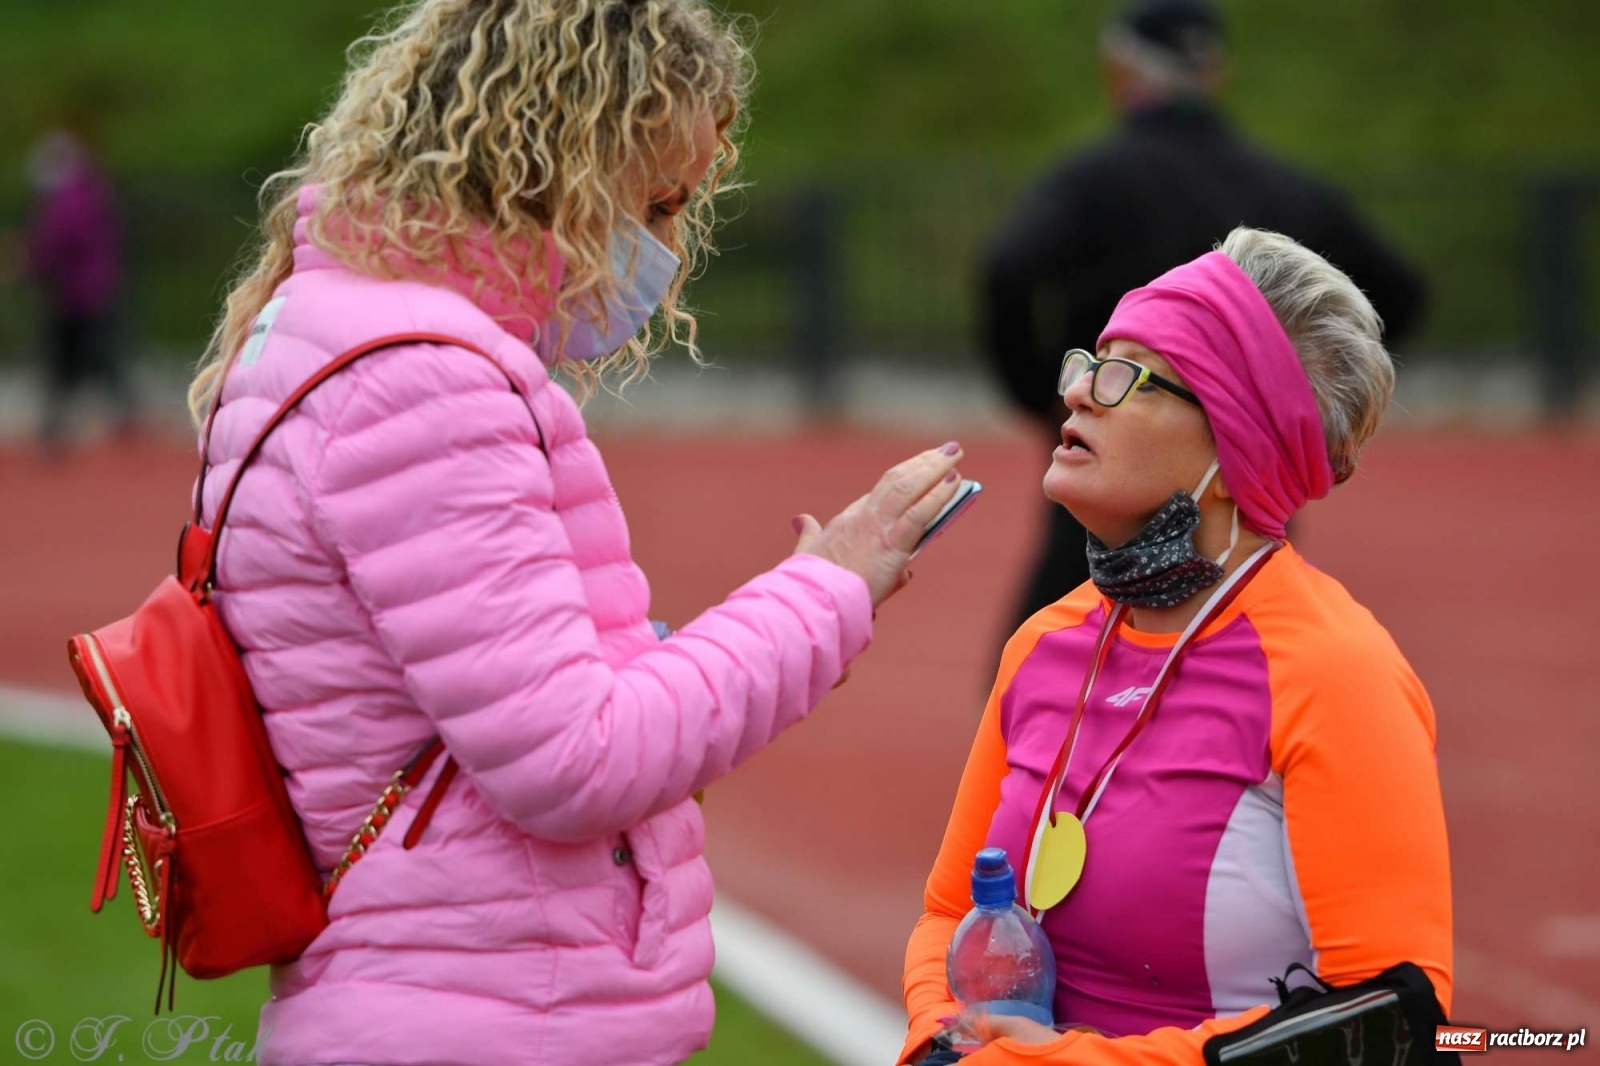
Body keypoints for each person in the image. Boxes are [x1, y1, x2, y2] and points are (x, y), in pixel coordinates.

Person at [184, 3, 966, 1064]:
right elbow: (573, 759)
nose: (664, 246)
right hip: (490, 1013)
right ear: (558, 161)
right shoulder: (423, 380)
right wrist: (827, 586)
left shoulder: (327, 327)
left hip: (443, 991)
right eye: (653, 199)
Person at [900, 227, 1452, 1065]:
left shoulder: (1338, 672)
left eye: (1128, 376)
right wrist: (940, 1039)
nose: (1079, 393)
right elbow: (948, 915)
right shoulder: (1044, 642)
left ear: (1235, 450)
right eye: (1089, 363)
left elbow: (1388, 1021)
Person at [980, 0, 1427, 632]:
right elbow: (1400, 292)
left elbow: (1007, 271)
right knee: (1247, 654)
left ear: (1120, 69)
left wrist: (1042, 399)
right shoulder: (1286, 186)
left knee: (1043, 673)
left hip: (1113, 467)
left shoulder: (1093, 180)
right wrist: (1302, 410)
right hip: (1247, 481)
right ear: (1215, 73)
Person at [21, 119, 136, 450]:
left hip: (76, 293)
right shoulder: (93, 190)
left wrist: (29, 261)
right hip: (94, 288)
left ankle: (58, 423)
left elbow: (57, 242)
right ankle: (120, 416)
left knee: (71, 357)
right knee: (98, 357)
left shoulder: (68, 198)